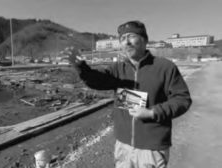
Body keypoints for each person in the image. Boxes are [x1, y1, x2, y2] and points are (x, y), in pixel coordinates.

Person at [63, 20, 192, 168]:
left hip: (152, 147)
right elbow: (98, 81)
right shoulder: (118, 69)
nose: (126, 42)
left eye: (131, 36)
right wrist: (82, 68)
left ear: (144, 40)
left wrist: (152, 112)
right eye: (122, 39)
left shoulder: (165, 67)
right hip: (123, 146)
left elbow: (183, 99)